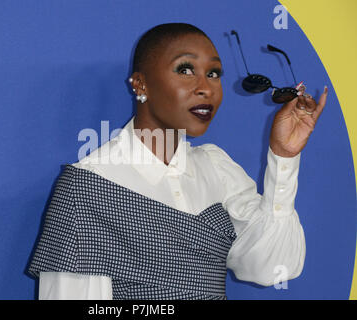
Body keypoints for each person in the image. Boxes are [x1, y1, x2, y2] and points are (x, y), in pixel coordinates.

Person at [28, 23, 328, 300]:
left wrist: (284, 159)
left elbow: (272, 267)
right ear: (140, 85)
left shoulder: (215, 167)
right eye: (185, 69)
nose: (205, 87)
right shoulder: (88, 187)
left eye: (214, 73)